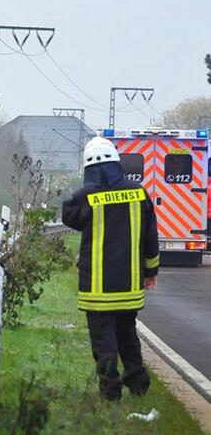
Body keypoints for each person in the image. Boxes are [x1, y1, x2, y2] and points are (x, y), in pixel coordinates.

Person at [62, 136, 160, 401]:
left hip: (98, 291)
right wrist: (151, 272)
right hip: (129, 289)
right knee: (128, 337)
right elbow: (151, 238)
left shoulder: (86, 198)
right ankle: (138, 385)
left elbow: (67, 215)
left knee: (104, 344)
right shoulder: (139, 194)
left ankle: (110, 392)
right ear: (117, 164)